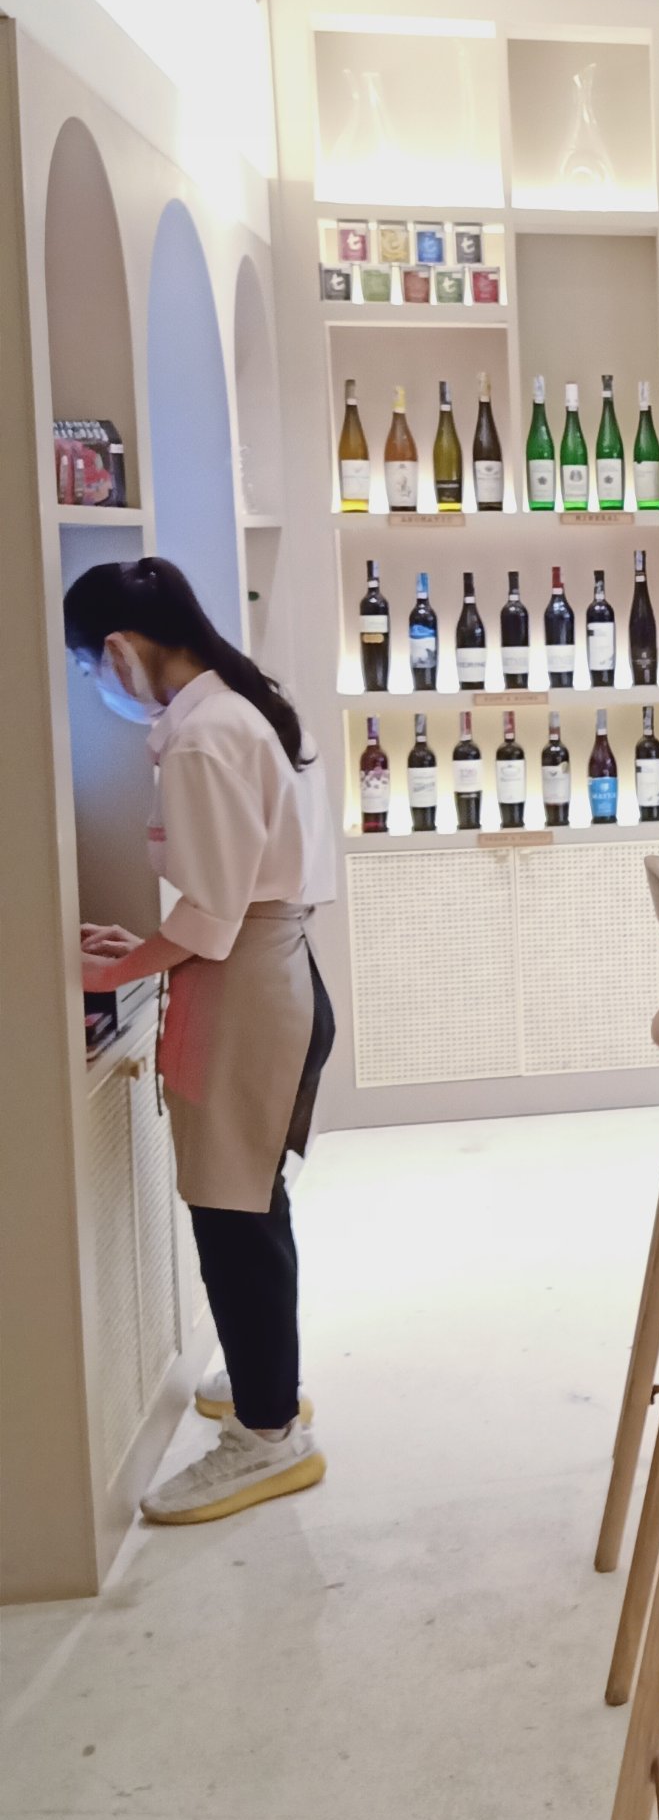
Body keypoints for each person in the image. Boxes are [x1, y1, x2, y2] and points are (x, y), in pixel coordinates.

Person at [66, 557, 336, 1522]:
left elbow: (215, 913)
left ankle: (268, 1434)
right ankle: (269, 1385)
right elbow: (229, 898)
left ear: (118, 651)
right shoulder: (233, 707)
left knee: (232, 1213)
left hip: (250, 985)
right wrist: (141, 948)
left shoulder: (202, 738)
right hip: (266, 969)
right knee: (246, 1203)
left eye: (90, 671)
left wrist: (113, 972)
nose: (98, 689)